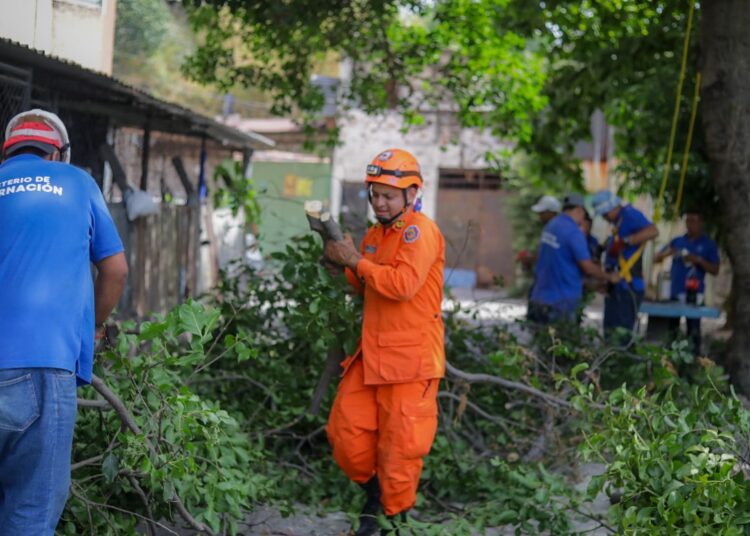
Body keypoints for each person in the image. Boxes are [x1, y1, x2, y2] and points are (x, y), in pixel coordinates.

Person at [0, 109, 128, 535]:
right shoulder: (78, 183)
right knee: (31, 514)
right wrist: (95, 327)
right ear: (58, 154)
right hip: (42, 366)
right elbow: (115, 270)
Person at [322, 148, 444, 536]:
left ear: (412, 193)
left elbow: (402, 285)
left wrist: (355, 260)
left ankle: (390, 521)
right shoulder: (375, 234)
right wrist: (338, 262)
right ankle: (375, 495)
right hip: (371, 356)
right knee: (345, 434)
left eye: (389, 195)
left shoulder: (419, 231)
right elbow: (362, 285)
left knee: (400, 452)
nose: (379, 202)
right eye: (375, 193)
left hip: (411, 364)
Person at [528, 193, 619, 324]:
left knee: (543, 342)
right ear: (579, 210)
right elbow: (587, 267)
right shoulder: (573, 232)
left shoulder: (551, 226)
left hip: (539, 297)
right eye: (583, 215)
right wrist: (609, 277)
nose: (583, 219)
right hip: (561, 303)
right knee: (561, 343)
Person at [592, 190, 658, 340]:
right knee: (610, 332)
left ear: (611, 207)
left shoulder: (629, 214)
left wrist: (626, 241)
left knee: (622, 336)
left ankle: (622, 362)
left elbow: (653, 231)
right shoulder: (618, 223)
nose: (604, 218)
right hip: (616, 285)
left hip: (628, 287)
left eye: (604, 214)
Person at [654, 210, 720, 354]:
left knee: (693, 334)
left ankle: (692, 366)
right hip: (673, 294)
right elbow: (656, 258)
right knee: (671, 333)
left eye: (693, 221)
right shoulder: (677, 241)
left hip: (694, 296)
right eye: (687, 221)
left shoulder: (708, 244)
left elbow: (715, 270)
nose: (690, 225)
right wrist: (668, 253)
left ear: (701, 223)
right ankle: (669, 365)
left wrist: (697, 260)